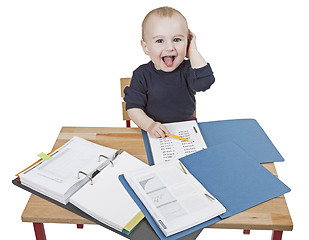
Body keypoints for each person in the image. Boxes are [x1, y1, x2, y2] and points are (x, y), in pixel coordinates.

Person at [124, 6, 215, 138]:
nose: (170, 47)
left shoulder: (188, 69)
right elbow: (133, 108)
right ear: (146, 47)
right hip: (152, 130)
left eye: (177, 40)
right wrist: (149, 125)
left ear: (187, 42)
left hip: (185, 128)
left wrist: (193, 51)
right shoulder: (141, 74)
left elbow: (205, 83)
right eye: (160, 41)